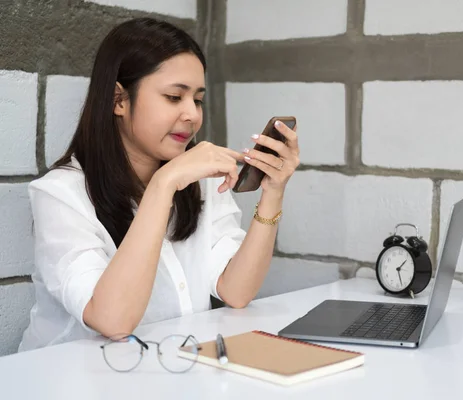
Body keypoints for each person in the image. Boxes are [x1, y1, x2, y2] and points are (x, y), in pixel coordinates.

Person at [18, 18, 299, 352]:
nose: (192, 115)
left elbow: (235, 291)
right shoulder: (60, 194)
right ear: (118, 100)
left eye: (197, 100)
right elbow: (112, 321)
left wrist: (273, 191)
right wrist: (164, 184)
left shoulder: (201, 181)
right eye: (173, 97)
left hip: (169, 370)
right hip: (70, 379)